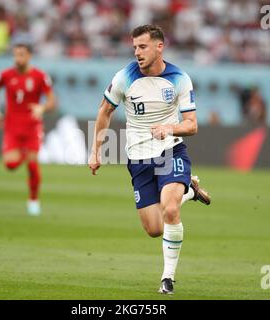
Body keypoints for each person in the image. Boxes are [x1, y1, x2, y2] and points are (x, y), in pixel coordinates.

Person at [88, 25, 211, 295]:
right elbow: (104, 111)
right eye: (134, 47)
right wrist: (96, 150)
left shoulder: (179, 78)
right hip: (138, 159)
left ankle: (167, 279)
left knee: (170, 210)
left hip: (170, 151)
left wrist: (170, 128)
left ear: (159, 47)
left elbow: (191, 125)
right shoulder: (125, 77)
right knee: (154, 229)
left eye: (142, 47)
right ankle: (188, 189)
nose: (137, 52)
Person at [0, 43, 57, 216]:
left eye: (21, 54)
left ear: (29, 56)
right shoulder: (5, 75)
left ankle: (33, 200)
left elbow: (52, 101)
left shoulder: (40, 76)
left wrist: (41, 108)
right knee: (10, 165)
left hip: (32, 127)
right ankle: (25, 154)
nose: (17, 58)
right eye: (15, 54)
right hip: (12, 127)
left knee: (33, 166)